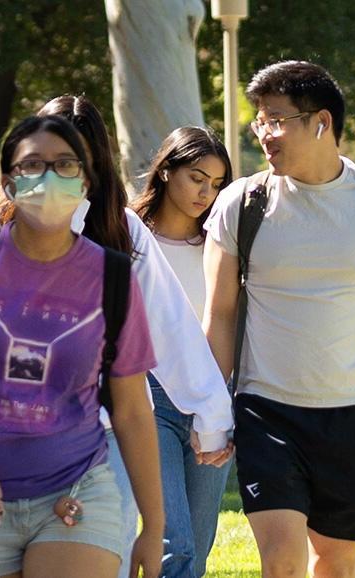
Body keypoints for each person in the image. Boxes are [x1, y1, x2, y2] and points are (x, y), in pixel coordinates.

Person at [0, 115, 166, 578]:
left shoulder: (112, 276)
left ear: (87, 180)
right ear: (8, 182)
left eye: (65, 165)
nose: (49, 177)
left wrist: (154, 526)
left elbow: (132, 409)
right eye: (32, 165)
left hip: (75, 488)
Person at [201, 60, 355, 578]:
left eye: (277, 119)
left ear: (322, 122)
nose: (265, 134)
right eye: (259, 121)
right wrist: (208, 405)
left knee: (336, 561)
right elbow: (220, 313)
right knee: (283, 560)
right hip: (268, 410)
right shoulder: (241, 203)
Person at [127, 126, 237, 578]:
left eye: (216, 184)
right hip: (146, 394)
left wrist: (218, 406)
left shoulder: (223, 245)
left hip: (212, 393)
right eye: (197, 177)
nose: (205, 193)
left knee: (200, 542)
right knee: (175, 541)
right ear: (166, 170)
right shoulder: (127, 234)